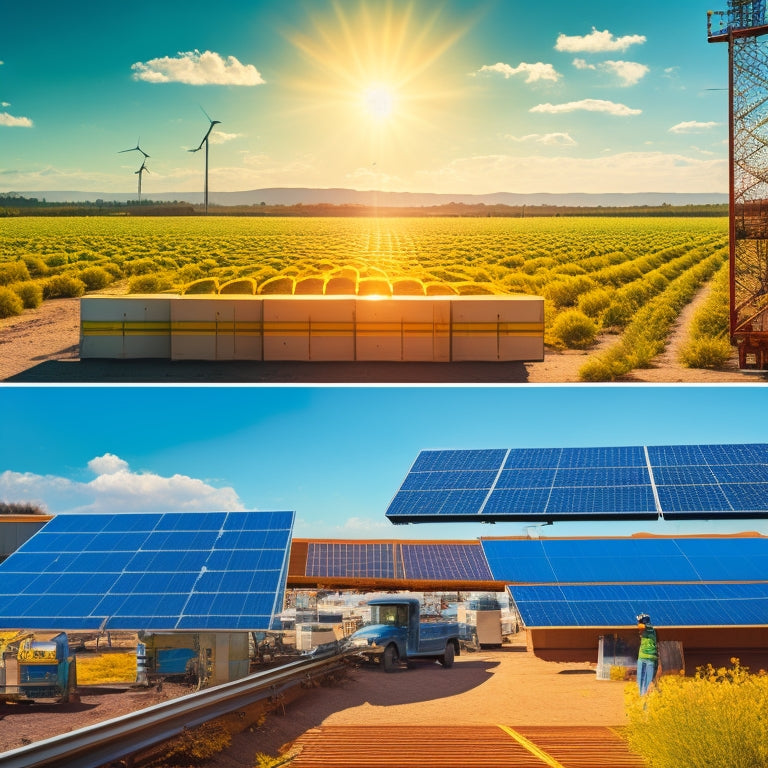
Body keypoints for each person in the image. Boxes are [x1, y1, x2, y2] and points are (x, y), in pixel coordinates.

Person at [636, 613, 659, 695]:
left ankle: (649, 700)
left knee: (649, 682)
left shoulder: (650, 629)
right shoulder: (642, 632)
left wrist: (641, 621)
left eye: (639, 621)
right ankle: (641, 699)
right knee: (640, 681)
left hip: (650, 659)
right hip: (642, 658)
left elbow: (641, 626)